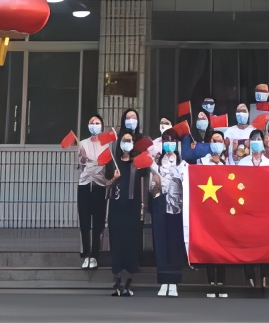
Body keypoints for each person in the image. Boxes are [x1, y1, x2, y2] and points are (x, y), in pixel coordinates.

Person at [105, 128, 157, 296]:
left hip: (133, 210)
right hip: (116, 210)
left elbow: (147, 181)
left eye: (129, 140)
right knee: (117, 244)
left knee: (130, 244)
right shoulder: (112, 163)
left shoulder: (137, 163)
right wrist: (113, 179)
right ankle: (117, 278)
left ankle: (127, 280)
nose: (126, 143)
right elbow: (105, 185)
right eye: (124, 140)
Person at [150, 128, 187, 298]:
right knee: (161, 244)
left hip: (177, 209)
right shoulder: (156, 165)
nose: (170, 144)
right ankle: (163, 281)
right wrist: (157, 183)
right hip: (160, 208)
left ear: (177, 143)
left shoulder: (183, 165)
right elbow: (152, 191)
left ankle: (174, 282)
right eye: (166, 140)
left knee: (174, 245)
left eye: (172, 140)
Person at [237, 129, 269, 291]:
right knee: (248, 242)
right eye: (253, 139)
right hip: (247, 206)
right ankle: (250, 276)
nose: (256, 142)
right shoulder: (242, 163)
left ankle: (264, 275)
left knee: (265, 242)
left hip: (264, 208)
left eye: (259, 139)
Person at [194, 129, 230, 297]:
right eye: (214, 141)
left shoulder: (227, 164)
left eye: (219, 141)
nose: (217, 144)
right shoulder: (201, 162)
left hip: (223, 213)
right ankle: (210, 283)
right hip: (206, 211)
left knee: (222, 248)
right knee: (209, 247)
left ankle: (221, 283)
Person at [75, 113, 111, 270]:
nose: (94, 125)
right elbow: (81, 166)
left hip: (100, 185)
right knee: (84, 220)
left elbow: (107, 166)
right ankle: (86, 254)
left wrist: (93, 162)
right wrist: (83, 159)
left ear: (101, 126)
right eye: (91, 122)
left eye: (97, 123)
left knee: (98, 220)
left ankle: (95, 255)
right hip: (84, 184)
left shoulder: (107, 145)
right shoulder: (82, 143)